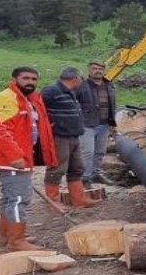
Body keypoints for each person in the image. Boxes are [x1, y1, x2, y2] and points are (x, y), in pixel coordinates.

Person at [0, 66, 56, 252]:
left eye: (33, 79)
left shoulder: (29, 99)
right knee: (18, 198)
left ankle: (6, 235)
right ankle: (17, 240)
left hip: (22, 156)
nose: (30, 82)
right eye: (25, 78)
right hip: (13, 159)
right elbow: (0, 130)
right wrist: (14, 156)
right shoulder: (5, 99)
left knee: (9, 197)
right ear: (14, 79)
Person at [41, 67, 103, 208]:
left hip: (74, 135)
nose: (81, 81)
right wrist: (49, 124)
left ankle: (78, 199)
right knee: (57, 168)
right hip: (60, 136)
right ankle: (53, 201)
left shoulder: (71, 93)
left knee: (77, 167)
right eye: (80, 79)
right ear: (75, 79)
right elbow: (36, 108)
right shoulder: (51, 91)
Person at [76, 61, 117, 188]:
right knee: (87, 152)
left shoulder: (109, 85)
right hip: (87, 124)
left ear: (104, 70)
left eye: (100, 69)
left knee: (100, 152)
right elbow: (74, 102)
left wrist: (113, 122)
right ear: (89, 70)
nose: (97, 71)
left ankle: (95, 174)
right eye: (94, 68)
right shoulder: (82, 86)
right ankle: (85, 178)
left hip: (104, 124)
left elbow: (113, 105)